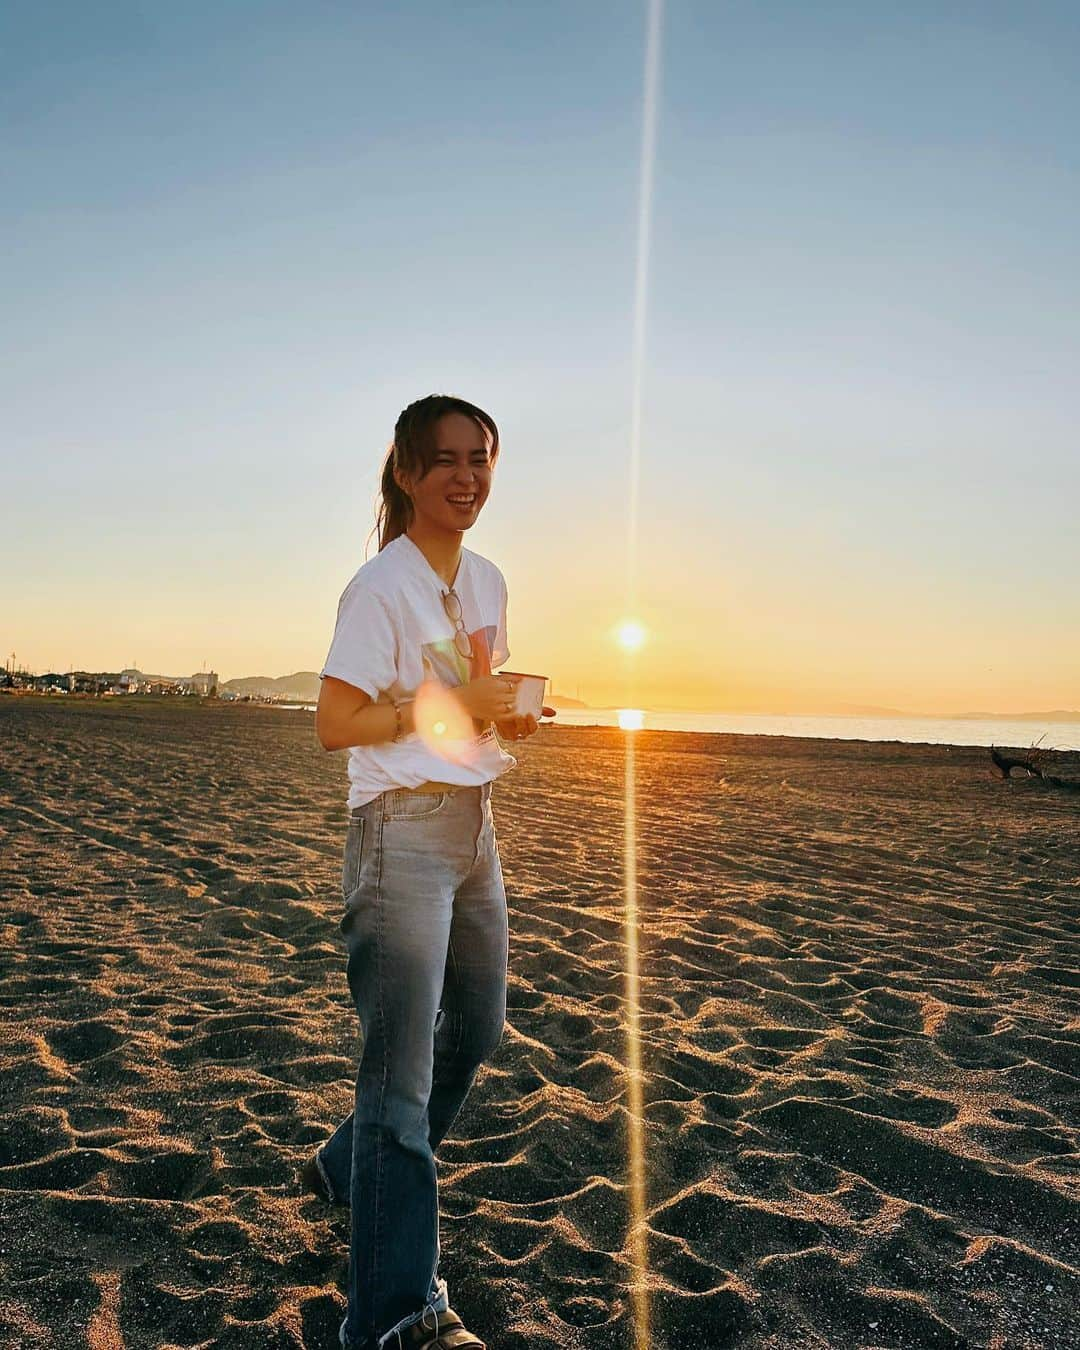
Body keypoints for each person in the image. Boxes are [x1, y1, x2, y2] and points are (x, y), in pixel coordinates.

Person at [305, 395, 555, 1350]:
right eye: (445, 460)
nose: (467, 477)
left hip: (472, 825)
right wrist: (443, 701)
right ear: (406, 472)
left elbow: (463, 706)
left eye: (481, 459)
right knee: (398, 1087)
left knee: (479, 1030)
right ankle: (394, 1314)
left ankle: (344, 1168)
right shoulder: (380, 586)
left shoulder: (485, 577)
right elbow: (336, 722)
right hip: (398, 831)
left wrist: (501, 713)